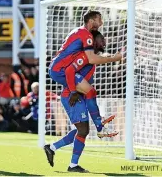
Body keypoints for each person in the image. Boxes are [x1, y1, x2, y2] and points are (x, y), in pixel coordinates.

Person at [45, 10, 122, 172]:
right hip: (68, 92)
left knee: (83, 130)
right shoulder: (85, 46)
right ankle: (99, 130)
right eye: (101, 39)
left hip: (72, 91)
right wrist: (73, 91)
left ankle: (54, 149)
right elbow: (69, 72)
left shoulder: (87, 56)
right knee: (90, 97)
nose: (104, 42)